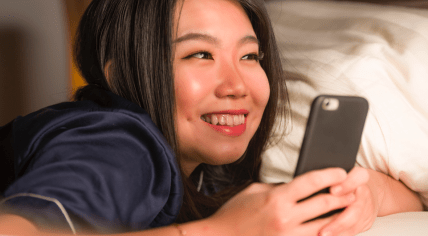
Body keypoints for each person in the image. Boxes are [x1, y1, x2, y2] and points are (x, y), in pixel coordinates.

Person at [0, 0, 423, 235]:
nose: (237, 84)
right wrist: (226, 233)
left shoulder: (210, 171)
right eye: (200, 54)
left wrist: (365, 194)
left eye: (250, 56)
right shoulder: (120, 143)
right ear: (120, 74)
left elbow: (414, 201)